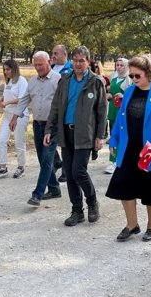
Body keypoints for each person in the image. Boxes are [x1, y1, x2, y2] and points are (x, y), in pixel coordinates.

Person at [106, 55, 151, 242]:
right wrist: (114, 140)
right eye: (132, 76)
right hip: (130, 148)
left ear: (149, 74)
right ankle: (132, 225)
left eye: (138, 76)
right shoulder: (129, 91)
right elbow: (121, 118)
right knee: (123, 185)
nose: (134, 79)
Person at [44, 46, 107, 227]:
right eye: (76, 60)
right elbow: (55, 107)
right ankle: (77, 210)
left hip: (85, 133)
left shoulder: (96, 82)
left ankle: (92, 202)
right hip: (66, 132)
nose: (78, 64)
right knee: (70, 175)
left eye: (82, 61)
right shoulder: (65, 80)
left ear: (88, 62)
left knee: (78, 170)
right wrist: (49, 129)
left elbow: (102, 111)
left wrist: (100, 135)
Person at [15, 51, 62, 206]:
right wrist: (15, 116)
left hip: (52, 126)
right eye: (35, 65)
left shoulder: (58, 80)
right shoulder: (33, 81)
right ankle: (54, 188)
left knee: (47, 160)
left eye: (40, 64)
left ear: (49, 62)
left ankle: (38, 194)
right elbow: (25, 99)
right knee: (43, 159)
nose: (38, 68)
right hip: (37, 124)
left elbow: (63, 104)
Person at [0, 59, 29, 180]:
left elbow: (22, 98)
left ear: (14, 69)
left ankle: (21, 167)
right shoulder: (8, 82)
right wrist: (1, 101)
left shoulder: (21, 81)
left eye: (8, 69)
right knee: (1, 139)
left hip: (19, 115)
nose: (5, 72)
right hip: (7, 115)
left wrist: (7, 102)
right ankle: (3, 167)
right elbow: (6, 96)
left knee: (19, 141)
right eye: (4, 69)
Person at [105, 57, 131, 174]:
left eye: (121, 65)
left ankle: (114, 160)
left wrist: (123, 95)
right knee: (112, 134)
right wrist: (108, 95)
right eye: (117, 65)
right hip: (112, 109)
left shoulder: (129, 79)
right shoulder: (113, 76)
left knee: (120, 135)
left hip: (123, 111)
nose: (119, 67)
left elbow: (131, 96)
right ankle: (114, 159)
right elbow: (111, 92)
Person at [51, 44, 72, 181]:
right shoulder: (51, 68)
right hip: (52, 108)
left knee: (65, 141)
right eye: (52, 53)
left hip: (65, 109)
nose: (53, 56)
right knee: (48, 137)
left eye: (55, 53)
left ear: (64, 54)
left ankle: (66, 170)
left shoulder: (70, 69)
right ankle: (57, 161)